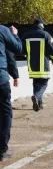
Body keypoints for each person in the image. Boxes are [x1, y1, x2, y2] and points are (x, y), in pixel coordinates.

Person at [21, 18, 53, 112]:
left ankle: (39, 104)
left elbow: (22, 50)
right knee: (43, 84)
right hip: (43, 66)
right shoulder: (46, 35)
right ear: (41, 25)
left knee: (36, 83)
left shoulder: (26, 35)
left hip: (32, 66)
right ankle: (36, 97)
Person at [0, 24, 23, 161]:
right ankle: (3, 150)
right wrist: (14, 34)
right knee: (5, 112)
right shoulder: (2, 30)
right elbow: (18, 48)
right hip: (0, 80)